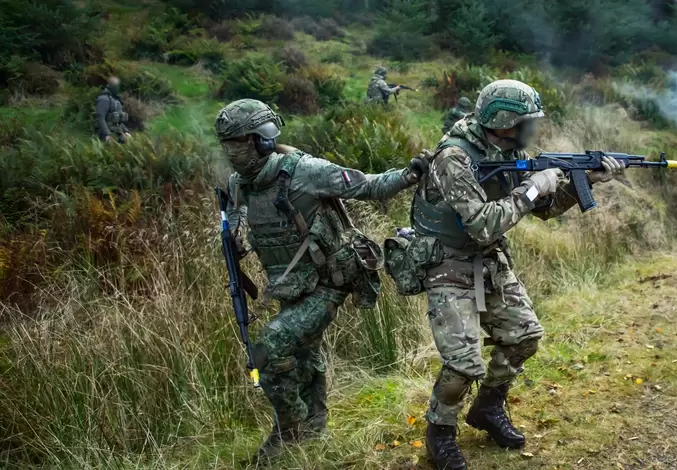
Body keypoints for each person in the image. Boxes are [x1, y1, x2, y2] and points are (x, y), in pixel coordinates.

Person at [411, 80, 624, 470]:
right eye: (526, 121)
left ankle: (488, 409)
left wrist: (584, 183)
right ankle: (439, 431)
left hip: (489, 261)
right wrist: (530, 190)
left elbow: (543, 210)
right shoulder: (454, 157)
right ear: (505, 120)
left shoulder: (510, 149)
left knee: (525, 337)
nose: (532, 128)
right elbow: (481, 225)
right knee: (462, 364)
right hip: (447, 263)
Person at [216, 99, 428, 463]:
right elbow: (234, 213)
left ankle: (288, 432)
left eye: (236, 144)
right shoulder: (241, 183)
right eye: (226, 146)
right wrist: (233, 232)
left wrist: (411, 174)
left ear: (261, 141)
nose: (230, 154)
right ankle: (314, 431)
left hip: (329, 280)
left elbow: (369, 185)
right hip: (290, 284)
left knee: (268, 349)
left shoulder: (306, 172)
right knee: (304, 356)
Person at [94, 77, 131, 143]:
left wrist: (125, 131)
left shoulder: (116, 100)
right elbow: (100, 118)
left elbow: (118, 120)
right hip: (105, 131)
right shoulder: (103, 99)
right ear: (109, 86)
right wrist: (107, 134)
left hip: (117, 130)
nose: (117, 89)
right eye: (115, 86)